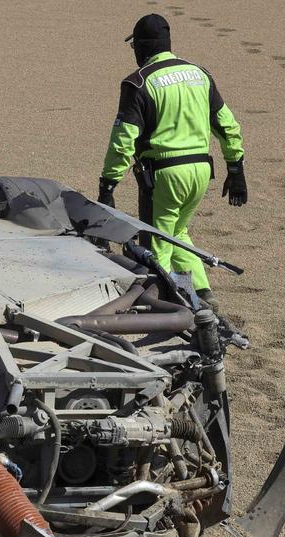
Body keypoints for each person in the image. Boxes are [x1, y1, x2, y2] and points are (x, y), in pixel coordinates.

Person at [97, 14, 247, 313]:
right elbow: (227, 125)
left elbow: (124, 140)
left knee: (156, 243)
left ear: (141, 47)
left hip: (165, 174)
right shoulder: (199, 74)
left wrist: (108, 184)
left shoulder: (139, 82)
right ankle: (203, 293)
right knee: (177, 231)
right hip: (201, 171)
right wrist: (236, 168)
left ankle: (162, 303)